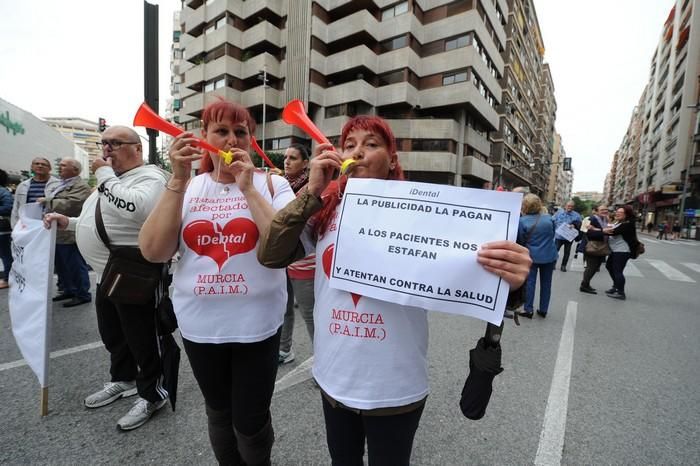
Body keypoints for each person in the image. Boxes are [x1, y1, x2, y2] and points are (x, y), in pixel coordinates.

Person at [258, 115, 531, 465]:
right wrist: (311, 192)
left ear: (392, 159)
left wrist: (514, 277)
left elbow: (473, 274)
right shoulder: (325, 209)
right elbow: (271, 254)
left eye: (371, 144)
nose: (357, 152)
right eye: (349, 144)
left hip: (395, 386)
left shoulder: (421, 213)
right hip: (334, 377)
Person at [138, 99, 295, 465]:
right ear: (204, 136)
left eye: (240, 132)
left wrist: (249, 189)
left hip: (257, 329)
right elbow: (153, 251)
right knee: (219, 411)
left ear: (252, 140)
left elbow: (283, 249)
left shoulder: (273, 184)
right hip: (200, 329)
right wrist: (177, 178)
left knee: (251, 419)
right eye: (220, 131)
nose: (230, 140)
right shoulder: (188, 187)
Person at [44, 126, 171, 431]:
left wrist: (103, 175)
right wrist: (70, 222)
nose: (107, 149)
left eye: (115, 143)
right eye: (104, 143)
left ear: (137, 149)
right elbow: (98, 217)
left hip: (134, 273)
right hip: (107, 273)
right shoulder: (113, 182)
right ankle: (124, 378)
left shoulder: (149, 178)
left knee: (142, 337)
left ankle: (153, 393)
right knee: (113, 333)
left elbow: (136, 209)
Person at [278, 143, 316, 364]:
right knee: (284, 310)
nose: (287, 161)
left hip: (305, 262)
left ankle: (323, 361)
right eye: (286, 157)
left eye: (293, 157)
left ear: (305, 163)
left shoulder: (311, 187)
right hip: (285, 260)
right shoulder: (283, 186)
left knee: (309, 315)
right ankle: (284, 350)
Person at [41, 158, 92, 307]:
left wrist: (47, 201)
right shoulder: (61, 184)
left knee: (75, 265)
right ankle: (68, 289)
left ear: (75, 170)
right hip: (57, 233)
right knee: (61, 265)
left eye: (64, 165)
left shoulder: (81, 186)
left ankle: (82, 293)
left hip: (69, 233)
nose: (60, 167)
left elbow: (70, 204)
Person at [517, 194, 557, 318]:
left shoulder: (522, 221)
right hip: (550, 256)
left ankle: (528, 309)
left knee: (530, 283)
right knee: (547, 283)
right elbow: (553, 234)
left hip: (531, 257)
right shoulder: (549, 218)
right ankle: (544, 309)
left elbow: (520, 240)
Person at [10, 157, 60, 228]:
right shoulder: (23, 185)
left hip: (48, 224)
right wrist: (15, 226)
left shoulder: (58, 184)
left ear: (50, 168)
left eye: (44, 164)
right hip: (26, 224)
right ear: (32, 167)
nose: (40, 166)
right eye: (37, 164)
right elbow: (16, 207)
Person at [602, 205, 638, 300]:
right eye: (617, 212)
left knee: (618, 271)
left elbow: (613, 232)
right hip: (615, 250)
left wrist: (596, 230)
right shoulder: (619, 222)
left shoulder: (628, 224)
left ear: (626, 215)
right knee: (609, 266)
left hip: (622, 250)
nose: (617, 213)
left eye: (620, 212)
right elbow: (611, 227)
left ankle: (621, 293)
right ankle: (616, 286)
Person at [579, 205, 609, 294]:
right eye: (602, 210)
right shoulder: (592, 219)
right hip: (592, 246)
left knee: (595, 266)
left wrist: (599, 230)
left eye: (606, 209)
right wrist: (602, 231)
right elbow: (587, 233)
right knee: (591, 267)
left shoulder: (604, 219)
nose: (605, 211)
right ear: (596, 211)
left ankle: (586, 284)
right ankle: (584, 285)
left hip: (600, 247)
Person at [552, 200, 582, 272]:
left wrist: (574, 225)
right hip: (559, 236)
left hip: (569, 237)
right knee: (555, 251)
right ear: (565, 206)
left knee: (567, 252)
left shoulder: (577, 215)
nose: (570, 207)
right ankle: (553, 264)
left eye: (571, 206)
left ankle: (563, 266)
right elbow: (552, 220)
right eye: (568, 206)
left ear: (573, 207)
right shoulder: (559, 213)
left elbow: (580, 224)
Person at [0, 169, 13, 289]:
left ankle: (8, 278)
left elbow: (8, 207)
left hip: (3, 229)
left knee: (5, 255)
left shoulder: (3, 191)